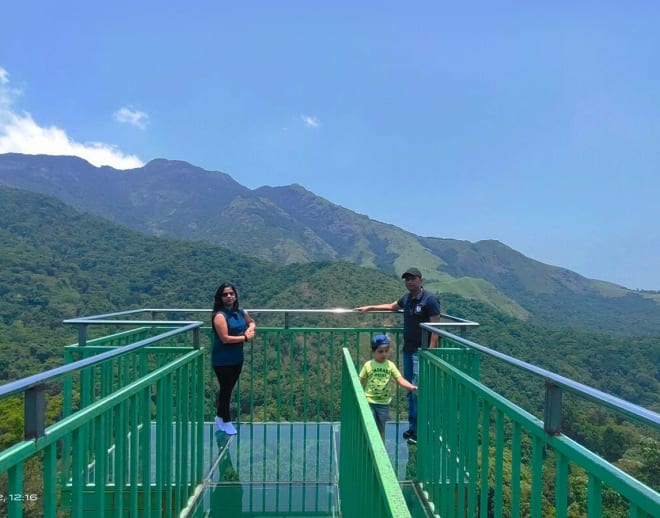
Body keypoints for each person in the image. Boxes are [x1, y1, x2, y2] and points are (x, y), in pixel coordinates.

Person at [356, 267, 441, 444]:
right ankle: (413, 428)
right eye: (407, 279)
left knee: (417, 390)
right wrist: (369, 308)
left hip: (421, 352)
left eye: (413, 278)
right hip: (409, 350)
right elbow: (392, 306)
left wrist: (430, 352)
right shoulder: (408, 298)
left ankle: (419, 430)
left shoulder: (430, 299)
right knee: (410, 391)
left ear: (421, 280)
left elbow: (436, 329)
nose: (409, 281)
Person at [211, 282, 256, 435]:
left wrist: (250, 328)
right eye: (225, 294)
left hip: (237, 358)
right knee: (226, 390)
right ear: (220, 298)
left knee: (228, 389)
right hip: (222, 359)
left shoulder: (240, 313)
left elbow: (251, 321)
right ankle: (226, 420)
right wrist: (245, 338)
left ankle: (220, 417)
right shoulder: (219, 316)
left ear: (235, 296)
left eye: (231, 293)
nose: (229, 296)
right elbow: (225, 338)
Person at [359, 334, 418, 440]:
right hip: (369, 401)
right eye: (380, 351)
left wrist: (411, 387)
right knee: (369, 427)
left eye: (386, 351)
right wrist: (358, 396)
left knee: (381, 428)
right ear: (373, 352)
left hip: (383, 403)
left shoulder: (390, 365)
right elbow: (360, 381)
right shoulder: (368, 365)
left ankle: (379, 448)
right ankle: (368, 447)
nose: (384, 354)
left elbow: (400, 379)